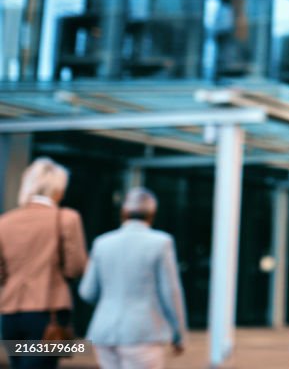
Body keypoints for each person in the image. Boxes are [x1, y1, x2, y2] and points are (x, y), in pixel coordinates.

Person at [79, 187, 187, 369]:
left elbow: (87, 292)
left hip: (104, 332)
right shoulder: (161, 243)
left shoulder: (102, 243)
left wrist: (110, 300)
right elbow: (170, 292)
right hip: (143, 332)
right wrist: (179, 333)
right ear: (152, 215)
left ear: (123, 213)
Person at [0, 157, 88, 369]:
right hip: (49, 314)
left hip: (9, 313)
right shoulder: (67, 218)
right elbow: (76, 267)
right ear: (58, 189)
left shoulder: (5, 221)